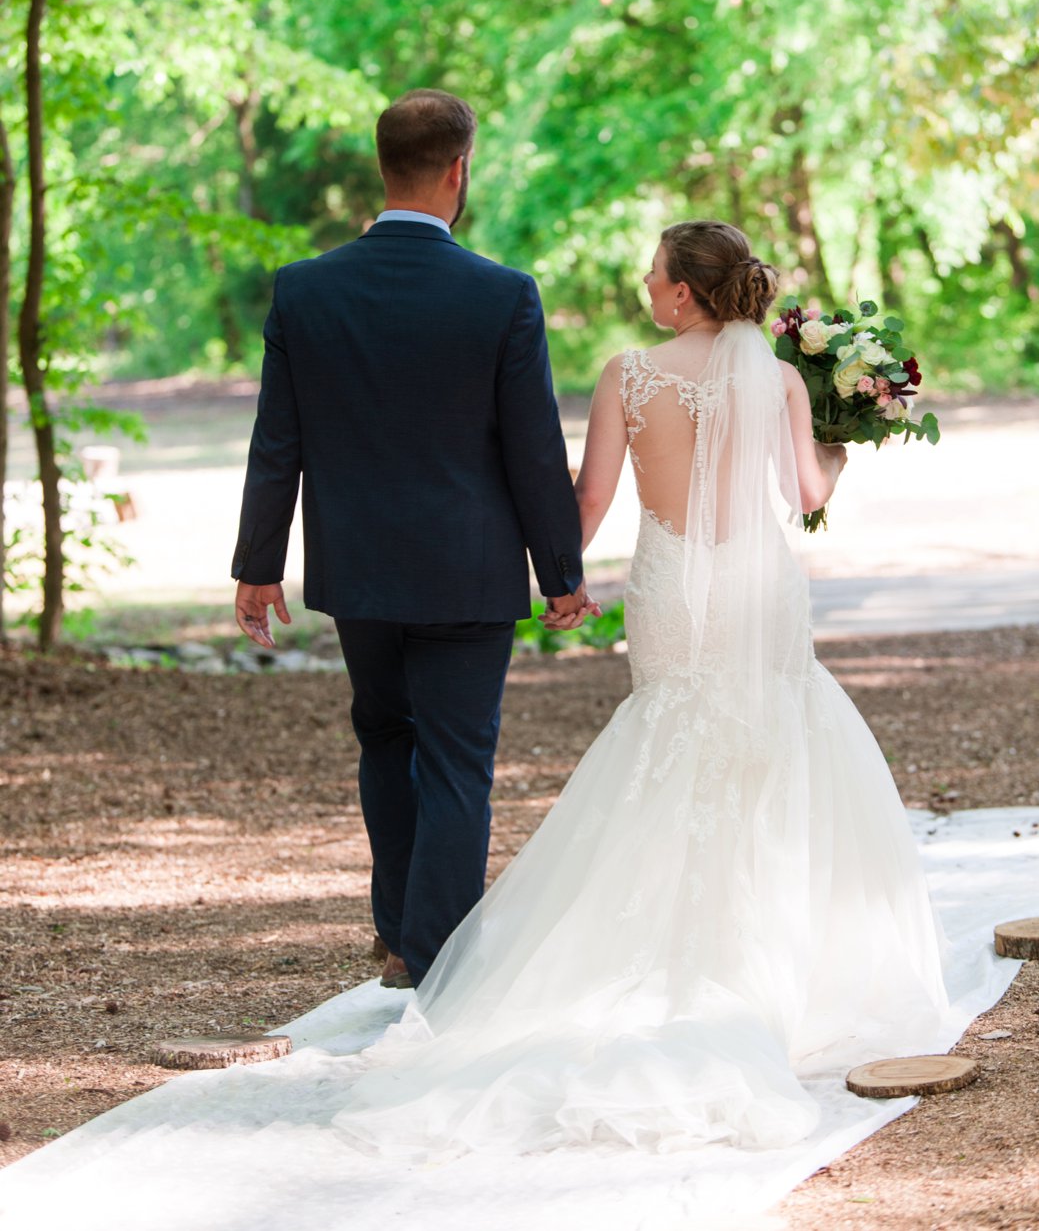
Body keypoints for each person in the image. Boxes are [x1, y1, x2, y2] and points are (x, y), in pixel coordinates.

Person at [329, 219, 950, 1158]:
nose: (643, 284)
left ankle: (657, 945)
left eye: (654, 274)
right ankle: (775, 956)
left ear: (683, 295)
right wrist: (839, 442)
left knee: (668, 736)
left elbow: (585, 501)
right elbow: (807, 496)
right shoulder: (780, 378)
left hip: (667, 583)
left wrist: (557, 581)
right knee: (767, 734)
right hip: (756, 584)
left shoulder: (627, 375)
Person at [232, 88, 596, 992]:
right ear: (458, 170)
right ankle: (433, 957)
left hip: (357, 571)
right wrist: (561, 574)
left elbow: (278, 439)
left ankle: (401, 934)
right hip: (468, 573)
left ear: (382, 166)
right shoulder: (502, 295)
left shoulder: (305, 289)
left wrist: (256, 566)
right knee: (457, 758)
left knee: (385, 738)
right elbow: (533, 448)